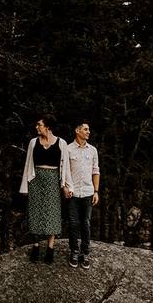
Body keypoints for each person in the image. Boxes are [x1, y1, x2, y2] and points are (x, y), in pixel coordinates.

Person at [19, 114, 74, 264]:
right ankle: (36, 246)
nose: (37, 127)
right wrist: (25, 186)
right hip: (36, 179)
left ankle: (50, 249)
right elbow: (28, 164)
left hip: (53, 180)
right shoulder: (33, 142)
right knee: (35, 211)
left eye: (40, 125)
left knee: (52, 213)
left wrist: (66, 186)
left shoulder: (61, 143)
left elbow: (65, 167)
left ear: (48, 127)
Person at [66, 120, 99, 268]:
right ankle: (74, 251)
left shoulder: (93, 150)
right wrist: (65, 188)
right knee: (73, 223)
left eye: (89, 130)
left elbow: (96, 171)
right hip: (72, 193)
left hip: (87, 192)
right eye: (86, 129)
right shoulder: (67, 149)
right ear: (77, 131)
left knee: (86, 223)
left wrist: (96, 191)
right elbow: (64, 172)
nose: (88, 132)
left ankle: (84, 253)